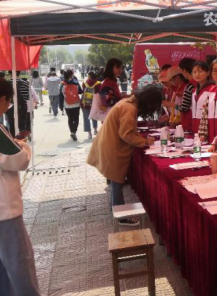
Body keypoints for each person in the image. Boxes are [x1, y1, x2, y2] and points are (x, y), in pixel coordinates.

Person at [0, 77, 65, 296]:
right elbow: (19, 160)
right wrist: (23, 145)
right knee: (19, 256)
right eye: (8, 102)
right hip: (1, 205)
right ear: (1, 99)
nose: (7, 107)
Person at [87, 86, 160, 226]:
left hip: (109, 144)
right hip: (112, 147)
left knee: (115, 182)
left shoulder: (128, 103)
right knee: (117, 183)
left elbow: (129, 130)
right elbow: (126, 134)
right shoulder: (129, 108)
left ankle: (116, 209)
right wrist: (144, 142)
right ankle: (121, 217)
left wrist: (142, 139)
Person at [191, 61, 217, 142]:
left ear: (208, 73)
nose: (197, 74)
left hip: (207, 127)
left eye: (200, 71)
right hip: (196, 126)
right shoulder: (194, 90)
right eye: (194, 72)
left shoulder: (213, 89)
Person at [4, 71, 31, 137]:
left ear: (10, 74)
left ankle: (13, 140)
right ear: (19, 73)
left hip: (9, 108)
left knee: (11, 125)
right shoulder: (25, 83)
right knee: (22, 125)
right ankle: (22, 140)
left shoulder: (6, 84)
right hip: (22, 108)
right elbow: (28, 97)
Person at [61, 70, 82, 142]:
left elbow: (61, 95)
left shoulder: (63, 84)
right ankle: (74, 132)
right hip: (76, 103)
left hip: (67, 104)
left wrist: (61, 106)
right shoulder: (76, 82)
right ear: (72, 74)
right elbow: (80, 91)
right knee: (76, 118)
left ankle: (72, 131)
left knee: (70, 118)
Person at [177, 58, 196, 133]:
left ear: (184, 70)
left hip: (189, 124)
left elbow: (184, 108)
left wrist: (177, 105)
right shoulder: (197, 84)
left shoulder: (190, 86)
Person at [81, 71, 100, 140]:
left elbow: (83, 92)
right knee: (94, 116)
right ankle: (95, 130)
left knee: (86, 118)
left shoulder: (84, 83)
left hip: (85, 103)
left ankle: (89, 133)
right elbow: (99, 93)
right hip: (94, 103)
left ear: (89, 76)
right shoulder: (98, 84)